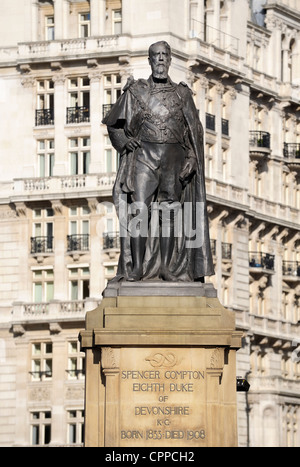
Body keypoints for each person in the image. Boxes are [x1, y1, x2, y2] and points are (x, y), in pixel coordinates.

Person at [102, 41, 214, 282]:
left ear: (170, 59)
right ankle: (137, 268)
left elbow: (194, 131)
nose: (160, 60)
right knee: (140, 209)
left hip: (174, 159)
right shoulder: (137, 91)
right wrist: (123, 142)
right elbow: (113, 124)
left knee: (169, 211)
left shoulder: (183, 94)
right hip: (144, 156)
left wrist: (193, 157)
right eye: (156, 56)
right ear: (149, 60)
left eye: (164, 55)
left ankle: (167, 267)